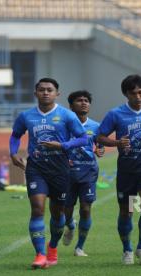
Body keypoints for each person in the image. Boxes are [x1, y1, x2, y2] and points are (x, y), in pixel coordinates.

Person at [9, 78, 88, 269]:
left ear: (56, 94)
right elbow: (15, 135)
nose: (45, 93)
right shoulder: (26, 116)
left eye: (49, 90)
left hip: (60, 169)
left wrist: (63, 145)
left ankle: (52, 246)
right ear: (35, 93)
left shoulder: (67, 115)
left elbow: (84, 138)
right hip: (36, 168)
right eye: (42, 90)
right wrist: (13, 153)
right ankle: (40, 254)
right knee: (37, 208)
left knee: (57, 213)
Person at [97, 74, 141, 265]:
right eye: (133, 93)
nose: (138, 96)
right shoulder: (116, 114)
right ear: (126, 94)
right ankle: (127, 249)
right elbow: (100, 136)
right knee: (126, 212)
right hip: (127, 170)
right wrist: (116, 142)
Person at [62, 90, 104, 257]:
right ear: (71, 106)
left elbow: (100, 144)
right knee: (66, 209)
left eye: (86, 100)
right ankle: (71, 226)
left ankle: (79, 247)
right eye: (79, 100)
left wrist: (100, 149)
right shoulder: (64, 125)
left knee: (86, 209)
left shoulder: (95, 126)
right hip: (67, 173)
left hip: (88, 172)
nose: (84, 103)